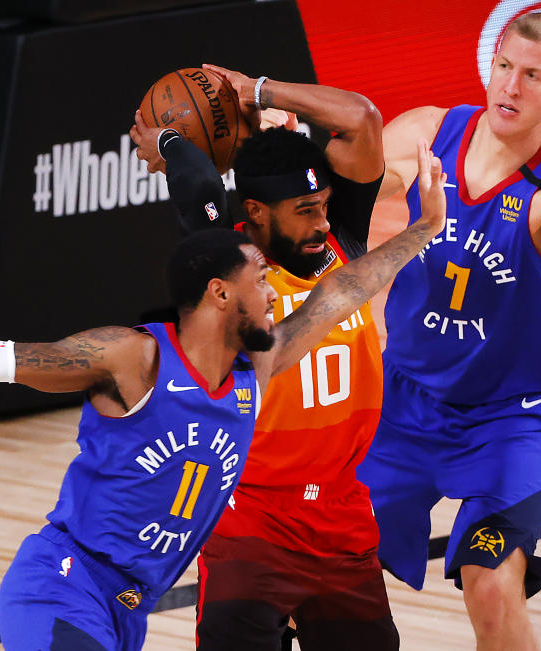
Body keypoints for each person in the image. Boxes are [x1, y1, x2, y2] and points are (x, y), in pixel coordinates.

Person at [0, 141, 447, 651]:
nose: (274, 293)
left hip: (127, 609)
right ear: (220, 294)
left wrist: (423, 229)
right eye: (260, 283)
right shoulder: (133, 358)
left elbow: (346, 289)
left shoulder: (251, 377)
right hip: (63, 583)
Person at [354, 12, 541, 650]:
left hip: (506, 421)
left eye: (533, 76)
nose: (512, 86)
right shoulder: (431, 132)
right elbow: (353, 175)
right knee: (323, 561)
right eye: (504, 67)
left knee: (491, 584)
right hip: (402, 404)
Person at [131, 65, 399, 649]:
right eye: (304, 209)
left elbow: (361, 119)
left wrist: (257, 92)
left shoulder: (340, 240)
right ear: (254, 212)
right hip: (251, 516)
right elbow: (201, 186)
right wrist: (172, 140)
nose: (322, 222)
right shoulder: (228, 267)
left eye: (323, 204)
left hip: (341, 510)